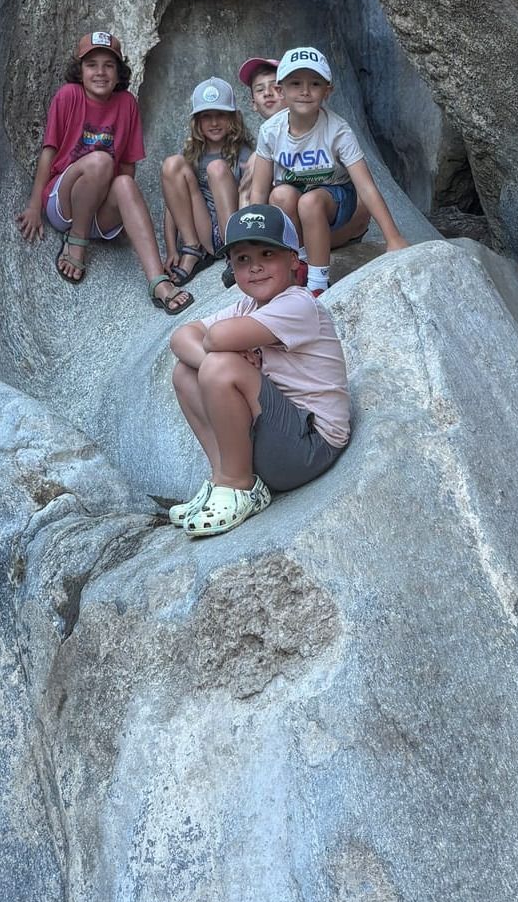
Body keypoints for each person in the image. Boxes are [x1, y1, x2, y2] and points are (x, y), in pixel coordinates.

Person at [167, 204, 350, 537]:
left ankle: (240, 485)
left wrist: (227, 355)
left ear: (293, 259)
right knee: (185, 373)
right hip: (279, 437)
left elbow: (217, 337)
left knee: (220, 365)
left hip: (312, 444)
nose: (255, 267)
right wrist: (223, 359)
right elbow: (181, 337)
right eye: (242, 259)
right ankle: (223, 478)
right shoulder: (248, 306)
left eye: (267, 254)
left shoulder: (298, 303)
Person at [15, 28, 193, 314]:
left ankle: (158, 281)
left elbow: (128, 165)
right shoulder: (69, 96)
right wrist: (35, 205)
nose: (100, 72)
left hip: (99, 216)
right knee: (101, 161)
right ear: (80, 70)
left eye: (109, 65)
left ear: (119, 72)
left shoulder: (126, 104)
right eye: (91, 65)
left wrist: (122, 211)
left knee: (125, 183)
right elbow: (49, 151)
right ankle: (76, 242)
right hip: (65, 204)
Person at [247, 46, 407, 296]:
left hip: (335, 200)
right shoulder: (270, 131)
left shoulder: (337, 130)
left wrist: (393, 237)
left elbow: (366, 186)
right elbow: (258, 191)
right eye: (295, 83)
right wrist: (254, 239)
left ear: (327, 91)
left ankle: (318, 284)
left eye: (315, 83)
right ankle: (300, 262)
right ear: (281, 90)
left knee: (310, 202)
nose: (305, 91)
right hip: (294, 207)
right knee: (279, 195)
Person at [160, 77, 253, 285]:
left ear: (233, 118)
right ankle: (192, 249)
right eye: (206, 117)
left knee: (217, 167)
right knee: (172, 164)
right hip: (205, 234)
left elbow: (252, 199)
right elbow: (173, 204)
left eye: (221, 115)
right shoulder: (193, 156)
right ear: (197, 122)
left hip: (232, 230)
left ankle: (236, 252)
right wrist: (171, 249)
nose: (214, 123)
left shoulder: (244, 154)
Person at [236, 56, 283, 206]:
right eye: (260, 89)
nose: (267, 93)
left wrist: (257, 156)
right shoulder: (266, 134)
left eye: (275, 86)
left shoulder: (304, 122)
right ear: (254, 104)